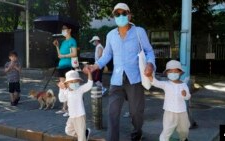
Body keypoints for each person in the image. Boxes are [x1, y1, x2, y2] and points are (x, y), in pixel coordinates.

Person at [88, 3, 156, 141]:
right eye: (117, 14)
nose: (120, 16)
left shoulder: (139, 32)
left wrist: (150, 64)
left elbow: (149, 51)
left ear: (129, 15)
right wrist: (95, 66)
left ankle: (137, 133)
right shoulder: (111, 35)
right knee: (112, 113)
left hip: (135, 79)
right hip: (117, 80)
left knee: (136, 112)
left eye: (123, 13)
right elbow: (107, 55)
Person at [147, 60, 191, 141]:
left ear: (180, 73)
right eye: (170, 71)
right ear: (167, 73)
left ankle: (183, 139)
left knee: (184, 130)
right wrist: (149, 75)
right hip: (169, 112)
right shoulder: (166, 84)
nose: (173, 73)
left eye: (175, 71)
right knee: (167, 130)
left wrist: (185, 95)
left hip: (182, 112)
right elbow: (155, 82)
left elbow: (188, 97)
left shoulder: (184, 85)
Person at [57, 68, 93, 141]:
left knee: (81, 138)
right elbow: (62, 99)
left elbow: (89, 84)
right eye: (72, 82)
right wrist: (61, 89)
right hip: (72, 116)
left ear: (79, 82)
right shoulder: (66, 91)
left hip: (80, 116)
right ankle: (84, 133)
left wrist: (89, 73)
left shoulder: (80, 89)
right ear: (67, 83)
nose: (74, 83)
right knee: (68, 130)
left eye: (76, 81)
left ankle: (82, 135)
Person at [53, 25, 78, 117]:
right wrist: (57, 46)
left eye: (65, 29)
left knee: (69, 87)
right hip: (61, 66)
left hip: (69, 66)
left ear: (70, 30)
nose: (63, 31)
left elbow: (74, 53)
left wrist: (63, 56)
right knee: (63, 88)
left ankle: (69, 109)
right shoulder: (63, 42)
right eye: (62, 29)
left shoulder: (72, 41)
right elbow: (59, 55)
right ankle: (64, 108)